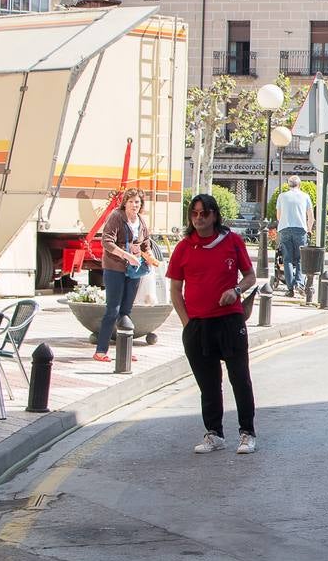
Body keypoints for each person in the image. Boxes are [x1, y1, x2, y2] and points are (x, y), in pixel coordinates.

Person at [168, 194, 259, 455]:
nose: (199, 218)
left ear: (214, 216)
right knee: (208, 384)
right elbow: (175, 289)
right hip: (198, 326)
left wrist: (236, 290)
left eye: (204, 213)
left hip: (229, 321)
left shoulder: (232, 241)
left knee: (239, 378)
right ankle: (214, 433)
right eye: (194, 213)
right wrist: (188, 323)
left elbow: (250, 276)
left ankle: (247, 433)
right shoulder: (184, 247)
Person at [94, 187, 154, 363]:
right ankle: (100, 350)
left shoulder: (141, 221)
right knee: (113, 309)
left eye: (137, 202)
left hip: (134, 269)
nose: (134, 205)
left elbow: (146, 243)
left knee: (126, 310)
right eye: (131, 202)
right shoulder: (116, 217)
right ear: (125, 203)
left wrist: (147, 256)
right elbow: (107, 241)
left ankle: (125, 350)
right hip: (115, 267)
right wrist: (127, 254)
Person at [275, 176, 313, 296]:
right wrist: (309, 229)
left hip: (285, 229)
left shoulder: (282, 196)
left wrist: (285, 223)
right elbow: (311, 216)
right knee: (301, 259)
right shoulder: (305, 196)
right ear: (299, 185)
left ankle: (290, 288)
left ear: (288, 185)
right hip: (300, 229)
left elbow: (278, 216)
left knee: (287, 260)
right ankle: (300, 284)